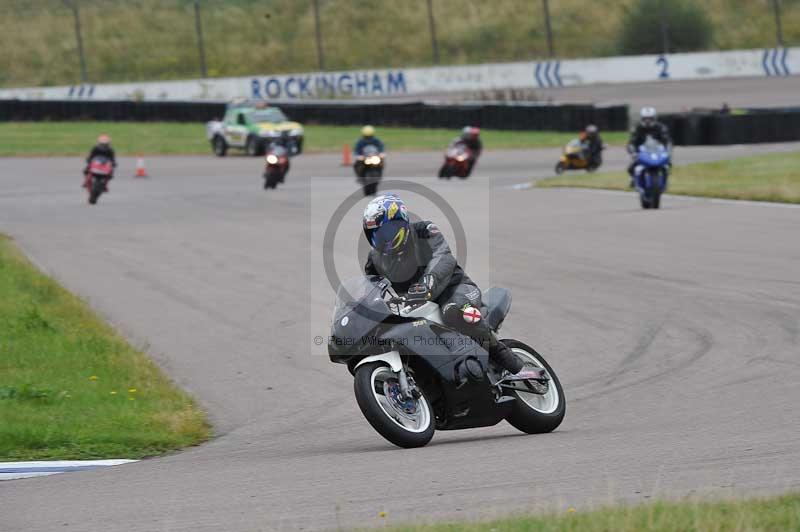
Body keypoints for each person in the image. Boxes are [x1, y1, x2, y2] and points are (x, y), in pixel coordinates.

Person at [361, 194, 545, 382]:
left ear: (401, 222)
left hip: (455, 290)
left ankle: (513, 365)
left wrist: (427, 283)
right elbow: (370, 287)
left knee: (455, 311)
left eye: (387, 231)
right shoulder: (374, 259)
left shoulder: (425, 231)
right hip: (414, 306)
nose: (383, 238)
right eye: (377, 234)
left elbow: (443, 257)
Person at [627, 107, 671, 186]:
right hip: (641, 152)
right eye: (645, 119)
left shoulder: (661, 127)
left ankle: (665, 179)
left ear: (654, 118)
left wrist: (667, 152)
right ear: (642, 118)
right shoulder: (637, 128)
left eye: (650, 118)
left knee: (668, 164)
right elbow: (631, 142)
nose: (648, 121)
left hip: (657, 151)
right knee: (631, 167)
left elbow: (667, 141)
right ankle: (633, 179)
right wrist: (633, 152)